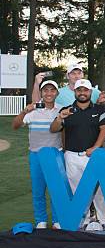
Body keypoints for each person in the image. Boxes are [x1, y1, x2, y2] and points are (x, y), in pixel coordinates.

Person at [49, 79, 105, 230]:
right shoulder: (66, 110)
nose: (82, 93)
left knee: (98, 189)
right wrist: (59, 118)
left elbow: (104, 130)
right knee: (76, 189)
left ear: (90, 92)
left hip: (93, 156)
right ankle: (82, 219)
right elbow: (53, 129)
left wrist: (96, 147)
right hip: (72, 155)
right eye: (79, 90)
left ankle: (104, 219)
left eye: (85, 90)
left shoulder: (100, 110)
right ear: (75, 92)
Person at [12, 80, 62, 229]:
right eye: (45, 90)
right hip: (36, 155)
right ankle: (41, 220)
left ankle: (57, 221)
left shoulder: (61, 110)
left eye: (52, 90)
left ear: (57, 93)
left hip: (55, 155)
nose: (49, 93)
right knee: (38, 189)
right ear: (40, 93)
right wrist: (24, 111)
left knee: (56, 189)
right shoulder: (32, 111)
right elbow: (15, 126)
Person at [33, 63, 102, 107]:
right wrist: (36, 83)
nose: (76, 76)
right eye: (73, 73)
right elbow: (37, 104)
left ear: (83, 75)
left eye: (79, 73)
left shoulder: (94, 92)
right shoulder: (59, 93)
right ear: (67, 76)